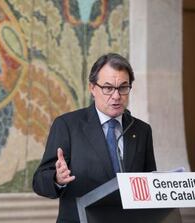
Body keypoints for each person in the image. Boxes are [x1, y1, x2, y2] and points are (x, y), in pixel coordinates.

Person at [32, 53, 157, 222]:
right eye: (108, 88)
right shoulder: (68, 125)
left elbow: (149, 183)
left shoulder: (141, 130)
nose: (116, 96)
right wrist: (57, 179)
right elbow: (39, 182)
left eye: (123, 87)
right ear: (92, 88)